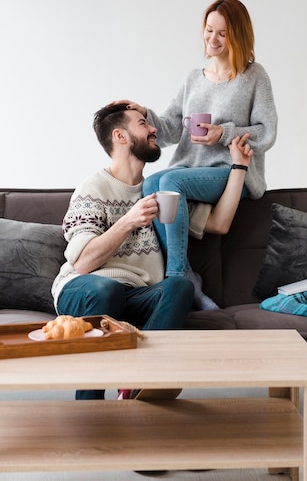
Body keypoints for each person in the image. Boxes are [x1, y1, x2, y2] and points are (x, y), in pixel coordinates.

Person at [52, 102, 252, 399]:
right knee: (107, 291)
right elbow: (82, 263)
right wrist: (128, 221)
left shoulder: (162, 193)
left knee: (179, 286)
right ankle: (89, 404)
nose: (154, 128)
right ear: (120, 136)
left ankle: (135, 381)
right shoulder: (92, 189)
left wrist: (239, 167)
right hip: (83, 290)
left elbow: (219, 224)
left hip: (136, 295)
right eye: (143, 123)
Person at [119, 0, 277, 309]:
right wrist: (143, 113)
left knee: (172, 185)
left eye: (222, 33)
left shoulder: (254, 76)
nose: (213, 39)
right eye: (209, 31)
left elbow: (267, 132)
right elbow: (170, 130)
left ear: (238, 35)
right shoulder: (193, 79)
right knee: (152, 185)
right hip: (191, 172)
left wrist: (225, 133)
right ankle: (189, 277)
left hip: (232, 173)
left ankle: (177, 275)